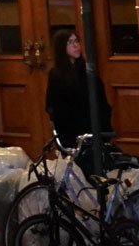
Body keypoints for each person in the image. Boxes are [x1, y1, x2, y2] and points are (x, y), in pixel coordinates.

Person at [45, 30, 112, 161]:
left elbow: (100, 100)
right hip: (70, 129)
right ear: (61, 47)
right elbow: (53, 104)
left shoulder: (87, 71)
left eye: (76, 41)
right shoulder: (56, 75)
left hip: (90, 125)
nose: (76, 46)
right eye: (70, 42)